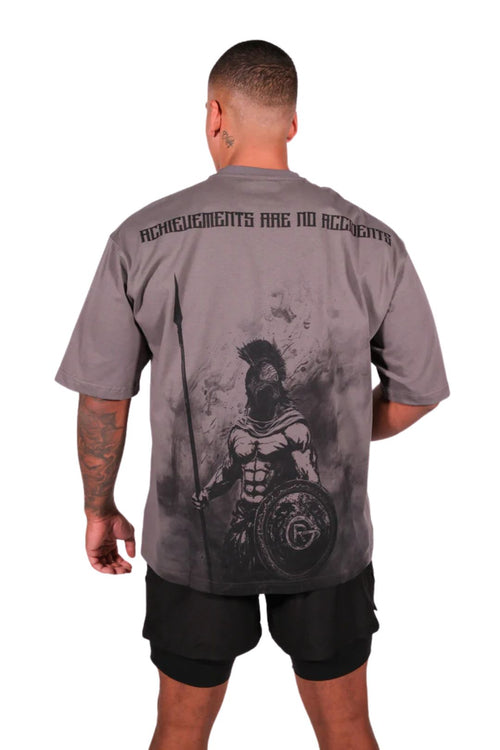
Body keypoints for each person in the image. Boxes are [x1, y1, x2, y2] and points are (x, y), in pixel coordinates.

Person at [54, 40, 450, 750]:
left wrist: (97, 507)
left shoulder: (142, 238)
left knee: (180, 729)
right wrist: (346, 427)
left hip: (206, 550)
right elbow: (416, 394)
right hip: (322, 551)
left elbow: (103, 399)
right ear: (292, 123)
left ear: (215, 115)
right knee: (347, 727)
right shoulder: (372, 241)